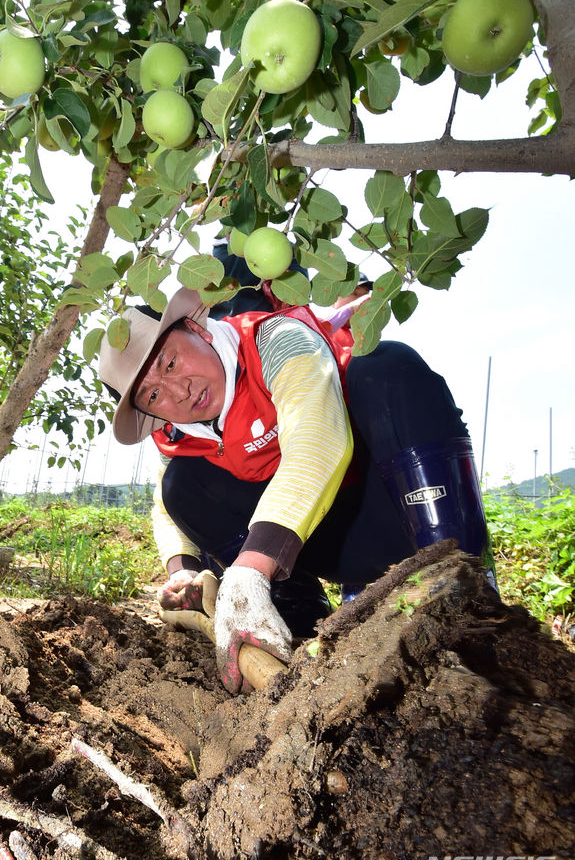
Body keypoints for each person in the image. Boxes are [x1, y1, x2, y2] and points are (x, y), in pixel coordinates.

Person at [99, 287, 493, 693]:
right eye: (153, 394)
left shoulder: (274, 339)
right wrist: (181, 572)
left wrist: (249, 569)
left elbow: (316, 436)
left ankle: (458, 581)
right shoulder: (176, 435)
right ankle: (291, 626)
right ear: (150, 413)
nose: (178, 391)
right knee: (181, 485)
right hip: (325, 548)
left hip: (396, 513)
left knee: (386, 364)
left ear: (198, 329)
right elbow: (167, 508)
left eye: (171, 362)